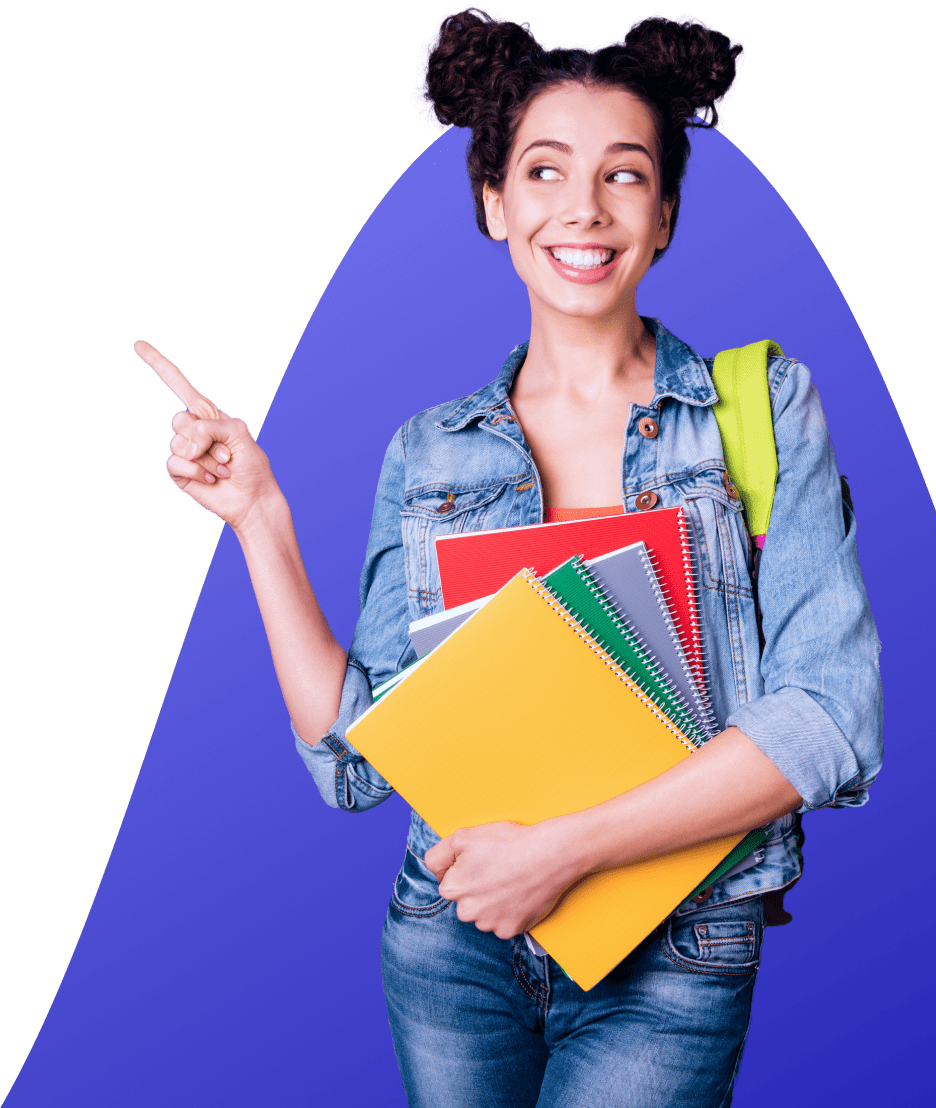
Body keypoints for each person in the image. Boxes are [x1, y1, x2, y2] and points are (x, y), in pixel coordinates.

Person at [136, 9, 883, 1106]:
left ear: (666, 212)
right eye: (543, 170)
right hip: (455, 937)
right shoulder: (431, 447)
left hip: (674, 952)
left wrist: (566, 849)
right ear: (494, 203)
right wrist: (259, 518)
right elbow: (356, 761)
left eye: (624, 176)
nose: (582, 208)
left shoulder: (757, 413)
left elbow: (829, 716)